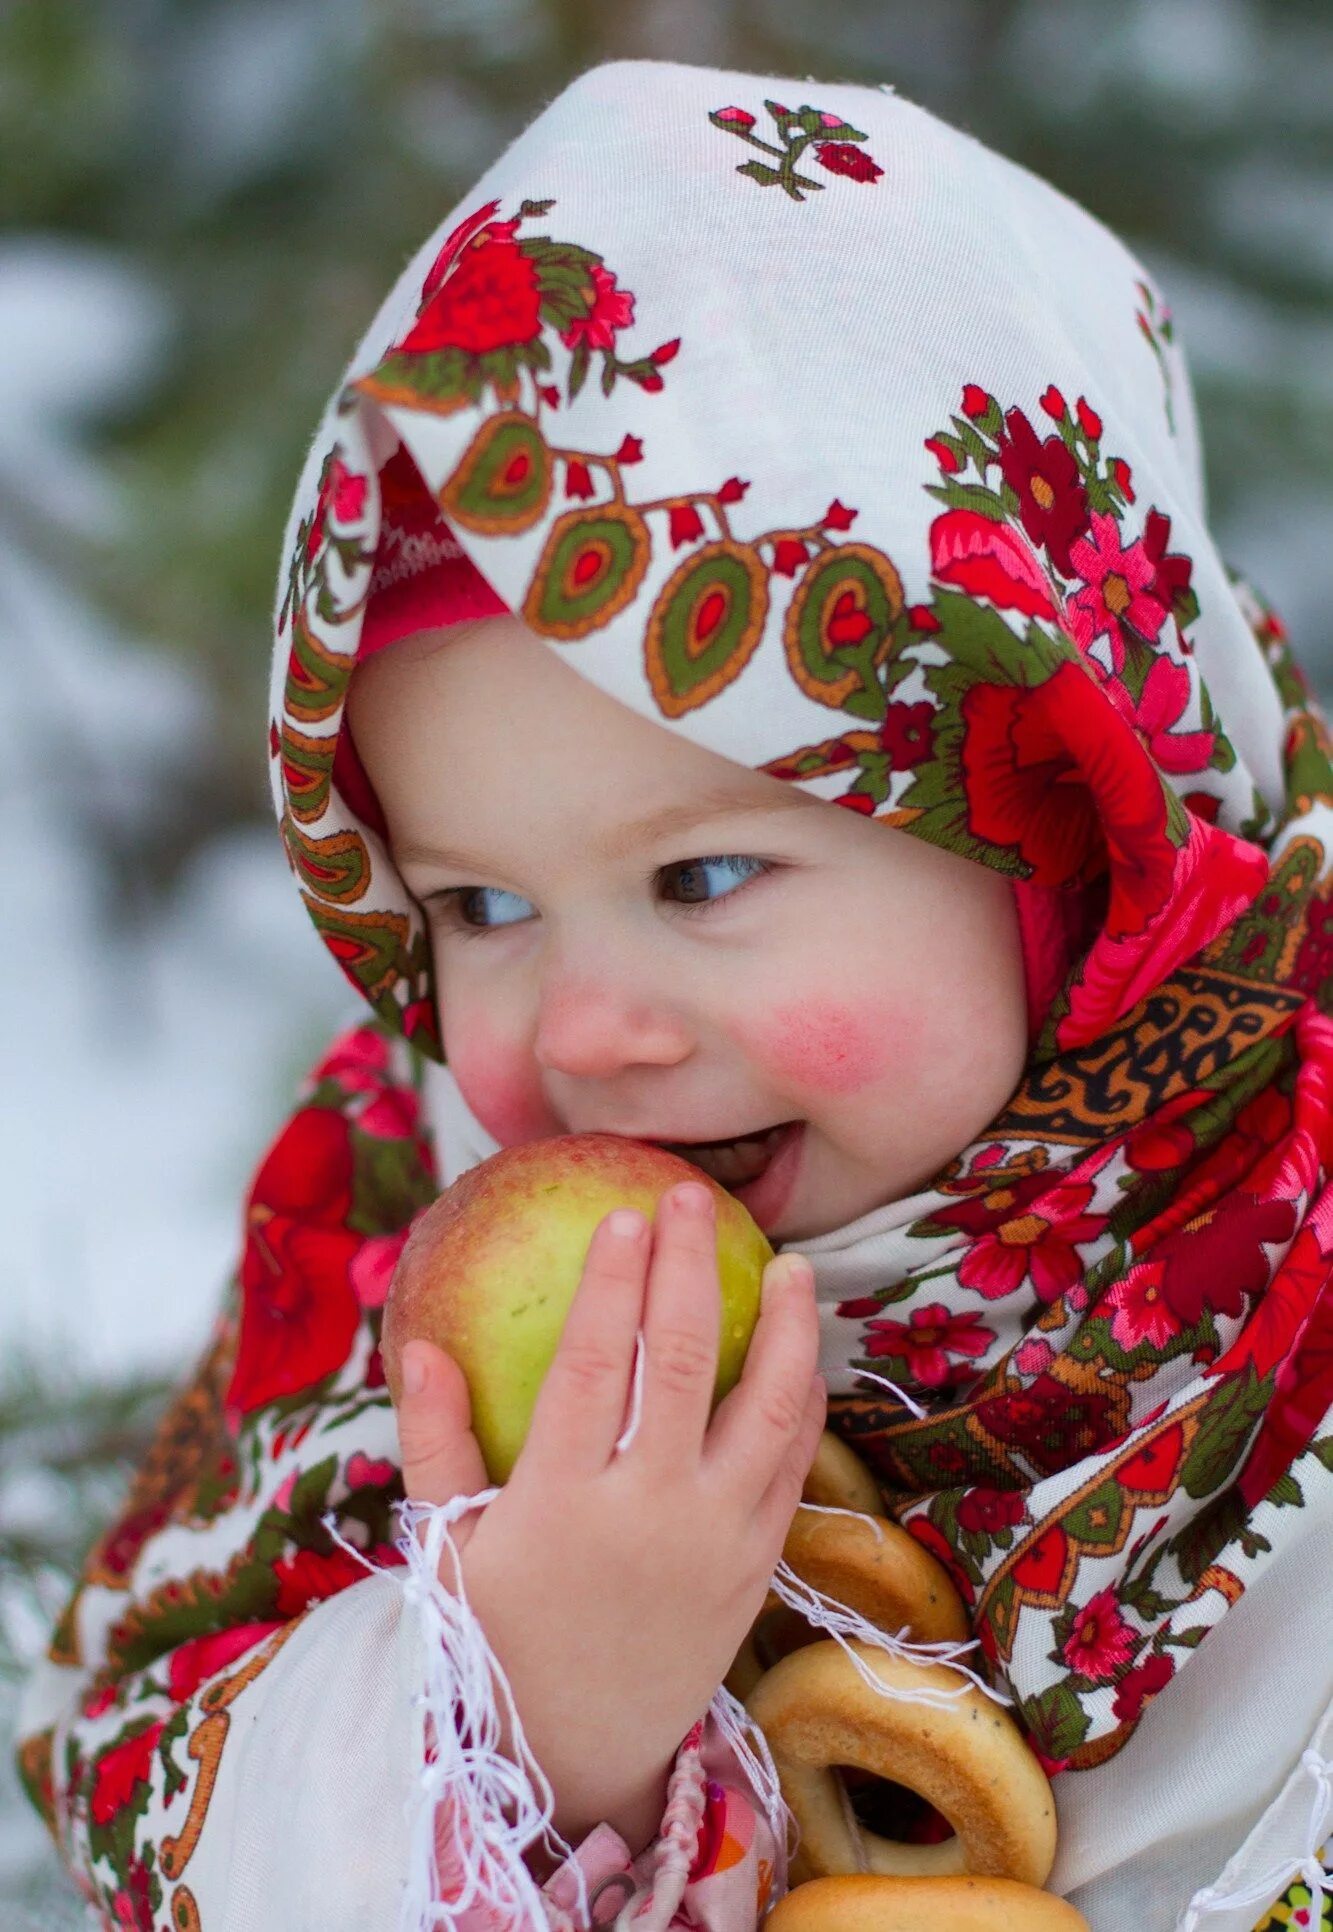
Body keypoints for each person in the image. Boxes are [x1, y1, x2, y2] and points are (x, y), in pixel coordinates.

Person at [14, 55, 1333, 1932]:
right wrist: (529, 1711)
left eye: (704, 876)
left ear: (1065, 831)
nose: (574, 1033)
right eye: (474, 904)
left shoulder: (1286, 1273)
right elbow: (161, 1768)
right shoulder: (406, 1277)